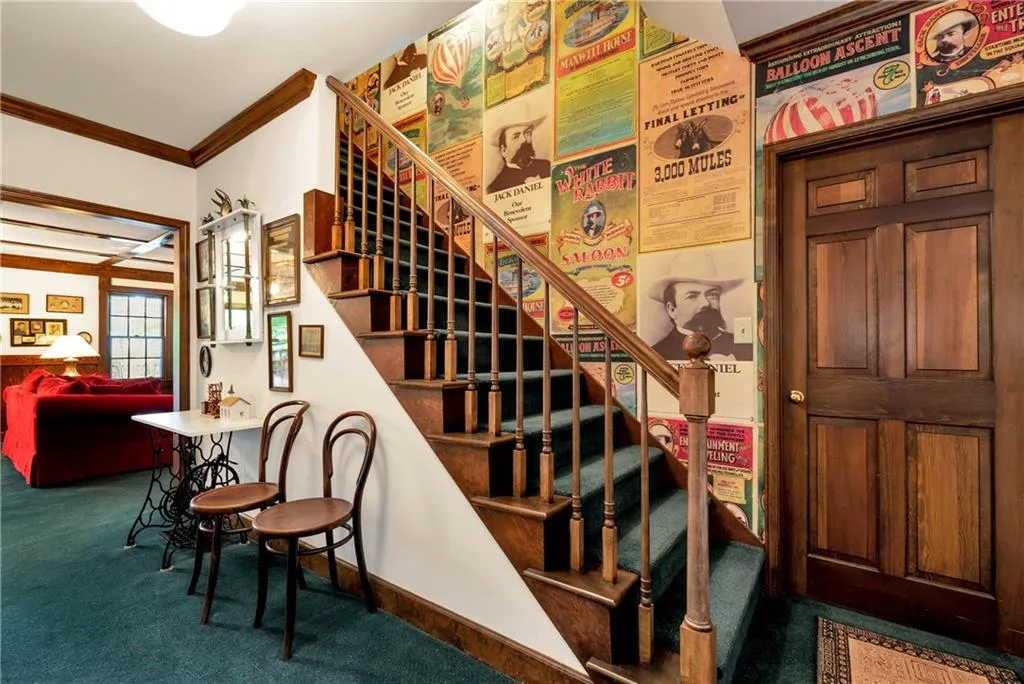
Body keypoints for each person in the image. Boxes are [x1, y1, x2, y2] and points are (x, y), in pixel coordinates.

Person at [646, 252, 751, 361]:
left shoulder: (744, 349)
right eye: (692, 296)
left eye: (712, 295)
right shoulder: (656, 355)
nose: (705, 303)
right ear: (672, 309)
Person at [486, 116, 550, 193]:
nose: (524, 140)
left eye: (527, 133)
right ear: (503, 150)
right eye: (516, 137)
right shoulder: (495, 188)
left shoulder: (546, 166)